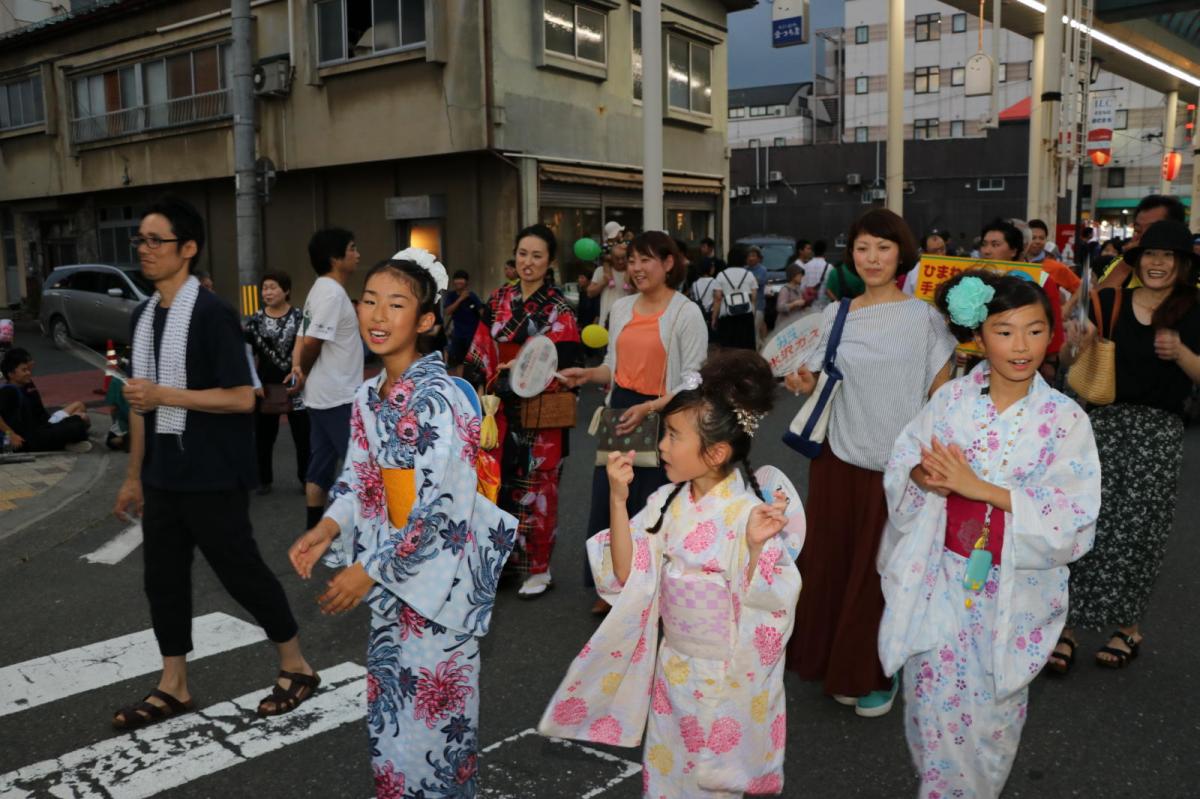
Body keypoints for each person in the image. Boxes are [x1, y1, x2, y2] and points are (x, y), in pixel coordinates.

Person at [288, 255, 515, 799]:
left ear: (426, 321)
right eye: (369, 300)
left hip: (439, 584)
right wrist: (328, 526)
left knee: (436, 727)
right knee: (391, 715)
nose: (377, 314)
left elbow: (443, 506)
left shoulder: (444, 397)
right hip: (396, 575)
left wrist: (368, 571)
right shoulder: (368, 395)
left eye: (397, 304)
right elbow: (362, 478)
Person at [539, 351, 803, 797]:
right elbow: (628, 574)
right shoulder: (665, 502)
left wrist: (757, 547)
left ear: (716, 451)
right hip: (674, 667)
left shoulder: (748, 513)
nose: (661, 445)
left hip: (724, 677)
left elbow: (769, 602)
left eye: (674, 436)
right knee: (666, 774)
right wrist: (618, 502)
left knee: (714, 779)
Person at [880, 270, 1101, 798]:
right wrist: (920, 475)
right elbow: (907, 455)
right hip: (942, 574)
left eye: (1034, 330)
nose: (1020, 346)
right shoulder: (953, 400)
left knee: (989, 719)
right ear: (980, 338)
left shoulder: (1065, 419)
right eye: (1004, 331)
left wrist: (981, 489)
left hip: (1011, 587)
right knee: (931, 701)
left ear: (1054, 335)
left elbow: (1075, 513)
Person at [112, 197, 316, 729]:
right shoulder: (142, 316)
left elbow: (242, 398)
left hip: (213, 472)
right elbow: (140, 402)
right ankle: (173, 684)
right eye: (141, 240)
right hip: (163, 473)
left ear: (188, 249)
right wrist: (133, 476)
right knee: (163, 580)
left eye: (156, 241)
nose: (144, 249)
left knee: (240, 571)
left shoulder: (213, 315)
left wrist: (166, 395)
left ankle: (296, 666)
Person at [784, 208, 956, 717]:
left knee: (883, 573)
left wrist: (932, 459)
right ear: (851, 256)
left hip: (900, 468)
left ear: (902, 253)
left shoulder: (925, 317)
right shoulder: (836, 315)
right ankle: (836, 663)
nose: (873, 258)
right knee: (834, 567)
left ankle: (877, 671)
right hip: (838, 459)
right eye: (862, 248)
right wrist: (802, 382)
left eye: (883, 247)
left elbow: (940, 391)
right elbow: (815, 378)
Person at [1055, 220, 1200, 672]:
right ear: (1138, 262)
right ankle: (1066, 628)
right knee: (1082, 524)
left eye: (1169, 257)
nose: (1158, 264)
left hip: (1158, 431)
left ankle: (1127, 627)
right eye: (1151, 255)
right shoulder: (1108, 300)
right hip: (1098, 424)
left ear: (1182, 265)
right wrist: (1078, 344)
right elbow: (1066, 361)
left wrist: (1181, 353)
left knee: (1138, 533)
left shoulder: (1194, 310)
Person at [558, 232, 708, 614]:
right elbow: (614, 365)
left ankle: (655, 588)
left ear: (668, 264)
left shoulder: (685, 312)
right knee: (612, 498)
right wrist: (589, 375)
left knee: (655, 502)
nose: (637, 268)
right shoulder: (622, 307)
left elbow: (693, 379)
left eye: (647, 260)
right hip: (622, 410)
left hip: (664, 413)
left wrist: (653, 407)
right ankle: (611, 585)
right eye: (633, 260)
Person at [465, 224, 583, 598]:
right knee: (500, 485)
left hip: (540, 409)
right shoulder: (498, 298)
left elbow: (563, 363)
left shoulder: (559, 308)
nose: (528, 262)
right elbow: (480, 348)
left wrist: (518, 374)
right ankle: (502, 564)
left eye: (537, 256)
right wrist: (481, 382)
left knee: (538, 488)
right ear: (514, 256)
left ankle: (538, 568)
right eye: (522, 254)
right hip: (499, 406)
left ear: (549, 263)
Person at [292, 228, 364, 531]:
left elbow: (302, 337)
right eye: (352, 248)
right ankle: (353, 533)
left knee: (319, 467)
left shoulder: (318, 289)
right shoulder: (332, 293)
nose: (357, 253)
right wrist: (303, 370)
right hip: (338, 396)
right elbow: (310, 343)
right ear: (336, 258)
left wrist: (297, 370)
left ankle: (313, 531)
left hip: (322, 396)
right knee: (359, 469)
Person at [245, 272, 310, 495]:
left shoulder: (301, 317)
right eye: (265, 288)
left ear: (286, 291)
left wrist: (304, 377)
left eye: (273, 288)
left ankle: (306, 479)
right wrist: (254, 384)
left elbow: (310, 350)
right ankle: (264, 480)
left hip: (297, 387)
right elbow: (246, 353)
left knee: (303, 436)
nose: (268, 292)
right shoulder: (254, 320)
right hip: (266, 388)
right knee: (263, 438)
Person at [979, 219, 1066, 378]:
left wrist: (1050, 362)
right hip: (980, 366)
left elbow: (1054, 324)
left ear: (1014, 250)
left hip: (1025, 364)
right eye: (984, 244)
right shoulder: (973, 280)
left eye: (995, 245)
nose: (987, 251)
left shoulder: (1040, 279)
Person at [0, 348, 92, 453]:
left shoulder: (25, 385)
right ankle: (64, 443)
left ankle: (65, 443)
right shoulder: (9, 391)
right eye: (24, 370)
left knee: (79, 421)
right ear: (11, 374)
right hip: (27, 440)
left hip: (39, 430)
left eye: (28, 369)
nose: (28, 373)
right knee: (78, 426)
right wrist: (11, 435)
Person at [1098, 195, 1187, 290]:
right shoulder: (1123, 262)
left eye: (1152, 230)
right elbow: (1097, 300)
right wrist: (1126, 263)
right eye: (1137, 230)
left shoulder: (1190, 267)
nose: (1142, 237)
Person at [711, 252, 757, 350]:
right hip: (746, 315)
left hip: (727, 316)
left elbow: (718, 298)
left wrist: (714, 317)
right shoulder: (749, 274)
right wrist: (753, 312)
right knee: (746, 347)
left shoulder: (721, 275)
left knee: (728, 348)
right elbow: (754, 297)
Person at [588, 242, 636, 329]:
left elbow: (640, 295)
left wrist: (630, 283)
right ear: (611, 258)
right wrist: (603, 282)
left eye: (623, 258)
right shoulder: (601, 271)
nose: (620, 261)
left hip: (627, 322)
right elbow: (590, 293)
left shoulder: (634, 272)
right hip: (605, 323)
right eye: (617, 258)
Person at [442, 269, 484, 368]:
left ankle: (470, 382)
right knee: (456, 362)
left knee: (472, 363)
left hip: (472, 336)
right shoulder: (451, 296)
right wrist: (460, 299)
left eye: (462, 279)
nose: (459, 281)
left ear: (467, 282)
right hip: (458, 335)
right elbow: (447, 312)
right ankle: (457, 382)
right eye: (457, 279)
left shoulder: (472, 296)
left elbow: (482, 312)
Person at [902, 229, 948, 295]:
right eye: (934, 251)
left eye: (942, 249)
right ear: (925, 253)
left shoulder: (953, 268)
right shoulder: (914, 274)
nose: (940, 254)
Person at [773, 262, 812, 329]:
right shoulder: (785, 289)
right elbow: (780, 307)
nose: (801, 277)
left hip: (794, 324)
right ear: (793, 276)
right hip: (784, 326)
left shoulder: (798, 288)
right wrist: (794, 304)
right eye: (799, 275)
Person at [746, 246, 769, 346]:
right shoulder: (744, 269)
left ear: (759, 258)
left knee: (755, 329)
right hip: (746, 305)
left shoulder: (763, 270)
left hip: (758, 304)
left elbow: (759, 282)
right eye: (749, 256)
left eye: (753, 255)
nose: (751, 258)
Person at [802, 240, 831, 308]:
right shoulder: (830, 267)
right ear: (825, 251)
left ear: (813, 251)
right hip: (824, 306)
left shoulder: (805, 266)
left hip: (809, 305)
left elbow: (802, 287)